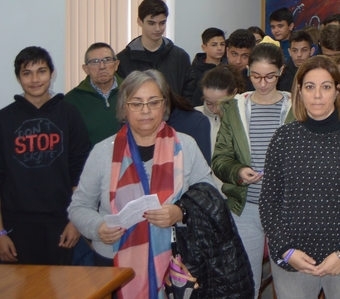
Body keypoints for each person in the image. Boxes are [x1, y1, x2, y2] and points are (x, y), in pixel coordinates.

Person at [68, 70, 215, 296]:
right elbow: (79, 206)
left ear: (164, 105)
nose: (145, 111)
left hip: (176, 262)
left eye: (153, 102)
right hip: (114, 262)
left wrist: (180, 212)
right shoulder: (103, 152)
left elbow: (210, 197)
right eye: (136, 103)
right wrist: (98, 227)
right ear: (124, 108)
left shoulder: (185, 146)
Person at [260, 55, 340, 298]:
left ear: (338, 91)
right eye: (310, 87)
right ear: (299, 91)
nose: (317, 95)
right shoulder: (283, 138)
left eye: (325, 87)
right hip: (293, 258)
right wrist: (286, 250)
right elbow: (268, 202)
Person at [212, 42, 292, 298]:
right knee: (246, 281)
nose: (263, 83)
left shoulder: (297, 107)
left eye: (270, 76)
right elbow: (220, 158)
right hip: (246, 208)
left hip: (287, 208)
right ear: (247, 70)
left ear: (281, 71)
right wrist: (238, 171)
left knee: (290, 282)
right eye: (256, 76)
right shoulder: (235, 108)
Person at [1, 47, 90, 265]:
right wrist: (0, 233)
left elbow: (80, 173)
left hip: (61, 223)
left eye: (41, 71)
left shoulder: (69, 114)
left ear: (52, 73)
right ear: (18, 78)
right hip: (15, 226)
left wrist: (75, 221)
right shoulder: (4, 119)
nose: (35, 79)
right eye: (26, 73)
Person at [117, 0, 193, 104]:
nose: (158, 29)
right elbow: (121, 99)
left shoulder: (180, 56)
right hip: (139, 118)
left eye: (162, 23)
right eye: (151, 23)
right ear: (139, 21)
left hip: (175, 118)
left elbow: (188, 94)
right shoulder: (123, 60)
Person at [64, 42, 125, 146]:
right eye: (95, 62)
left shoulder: (131, 92)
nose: (102, 66)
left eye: (107, 60)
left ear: (116, 65)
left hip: (128, 160)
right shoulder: (71, 101)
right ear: (86, 69)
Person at [195, 65, 241, 157]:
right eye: (209, 103)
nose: (215, 110)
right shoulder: (193, 117)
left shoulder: (241, 118)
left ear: (234, 93)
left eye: (221, 104)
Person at [187, 27, 226, 105]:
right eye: (214, 45)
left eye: (222, 44)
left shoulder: (228, 68)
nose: (219, 48)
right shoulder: (194, 71)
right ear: (204, 47)